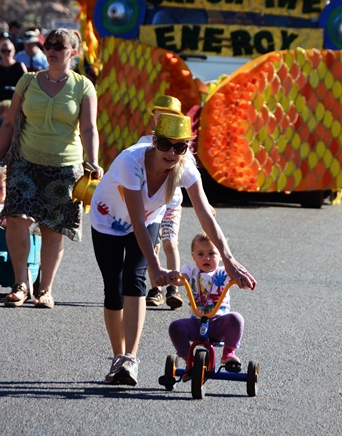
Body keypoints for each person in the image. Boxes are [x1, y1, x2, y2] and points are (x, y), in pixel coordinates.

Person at [90, 113, 256, 387]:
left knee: (135, 277)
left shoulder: (186, 166)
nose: (171, 152)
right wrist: (156, 265)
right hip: (108, 218)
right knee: (114, 285)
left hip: (148, 219)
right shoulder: (130, 162)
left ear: (187, 148)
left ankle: (129, 359)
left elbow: (205, 213)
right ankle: (117, 355)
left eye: (180, 146)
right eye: (166, 144)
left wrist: (228, 258)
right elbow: (135, 221)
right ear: (154, 141)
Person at [0, 28, 104, 308]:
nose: (52, 49)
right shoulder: (28, 81)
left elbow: (89, 128)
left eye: (60, 45)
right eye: (49, 44)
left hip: (64, 166)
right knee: (16, 218)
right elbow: (8, 123)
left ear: (73, 53)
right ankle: (21, 283)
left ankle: (45, 289)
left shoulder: (83, 86)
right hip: (25, 163)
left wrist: (93, 160)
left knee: (52, 228)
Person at [169, 231, 245, 378]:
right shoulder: (189, 271)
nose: (206, 258)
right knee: (176, 327)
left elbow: (237, 276)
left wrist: (242, 279)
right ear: (193, 256)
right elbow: (179, 280)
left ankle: (228, 353)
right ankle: (188, 359)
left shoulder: (224, 273)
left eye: (211, 253)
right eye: (201, 254)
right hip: (196, 323)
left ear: (221, 256)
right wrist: (172, 277)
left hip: (218, 323)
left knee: (236, 318)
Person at [140, 95, 185, 309]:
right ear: (153, 120)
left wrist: (207, 203)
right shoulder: (143, 143)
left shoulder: (181, 146)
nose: (162, 121)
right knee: (153, 246)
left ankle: (173, 288)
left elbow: (191, 174)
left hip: (172, 203)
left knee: (170, 243)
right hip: (152, 205)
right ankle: (155, 288)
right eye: (159, 117)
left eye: (169, 117)